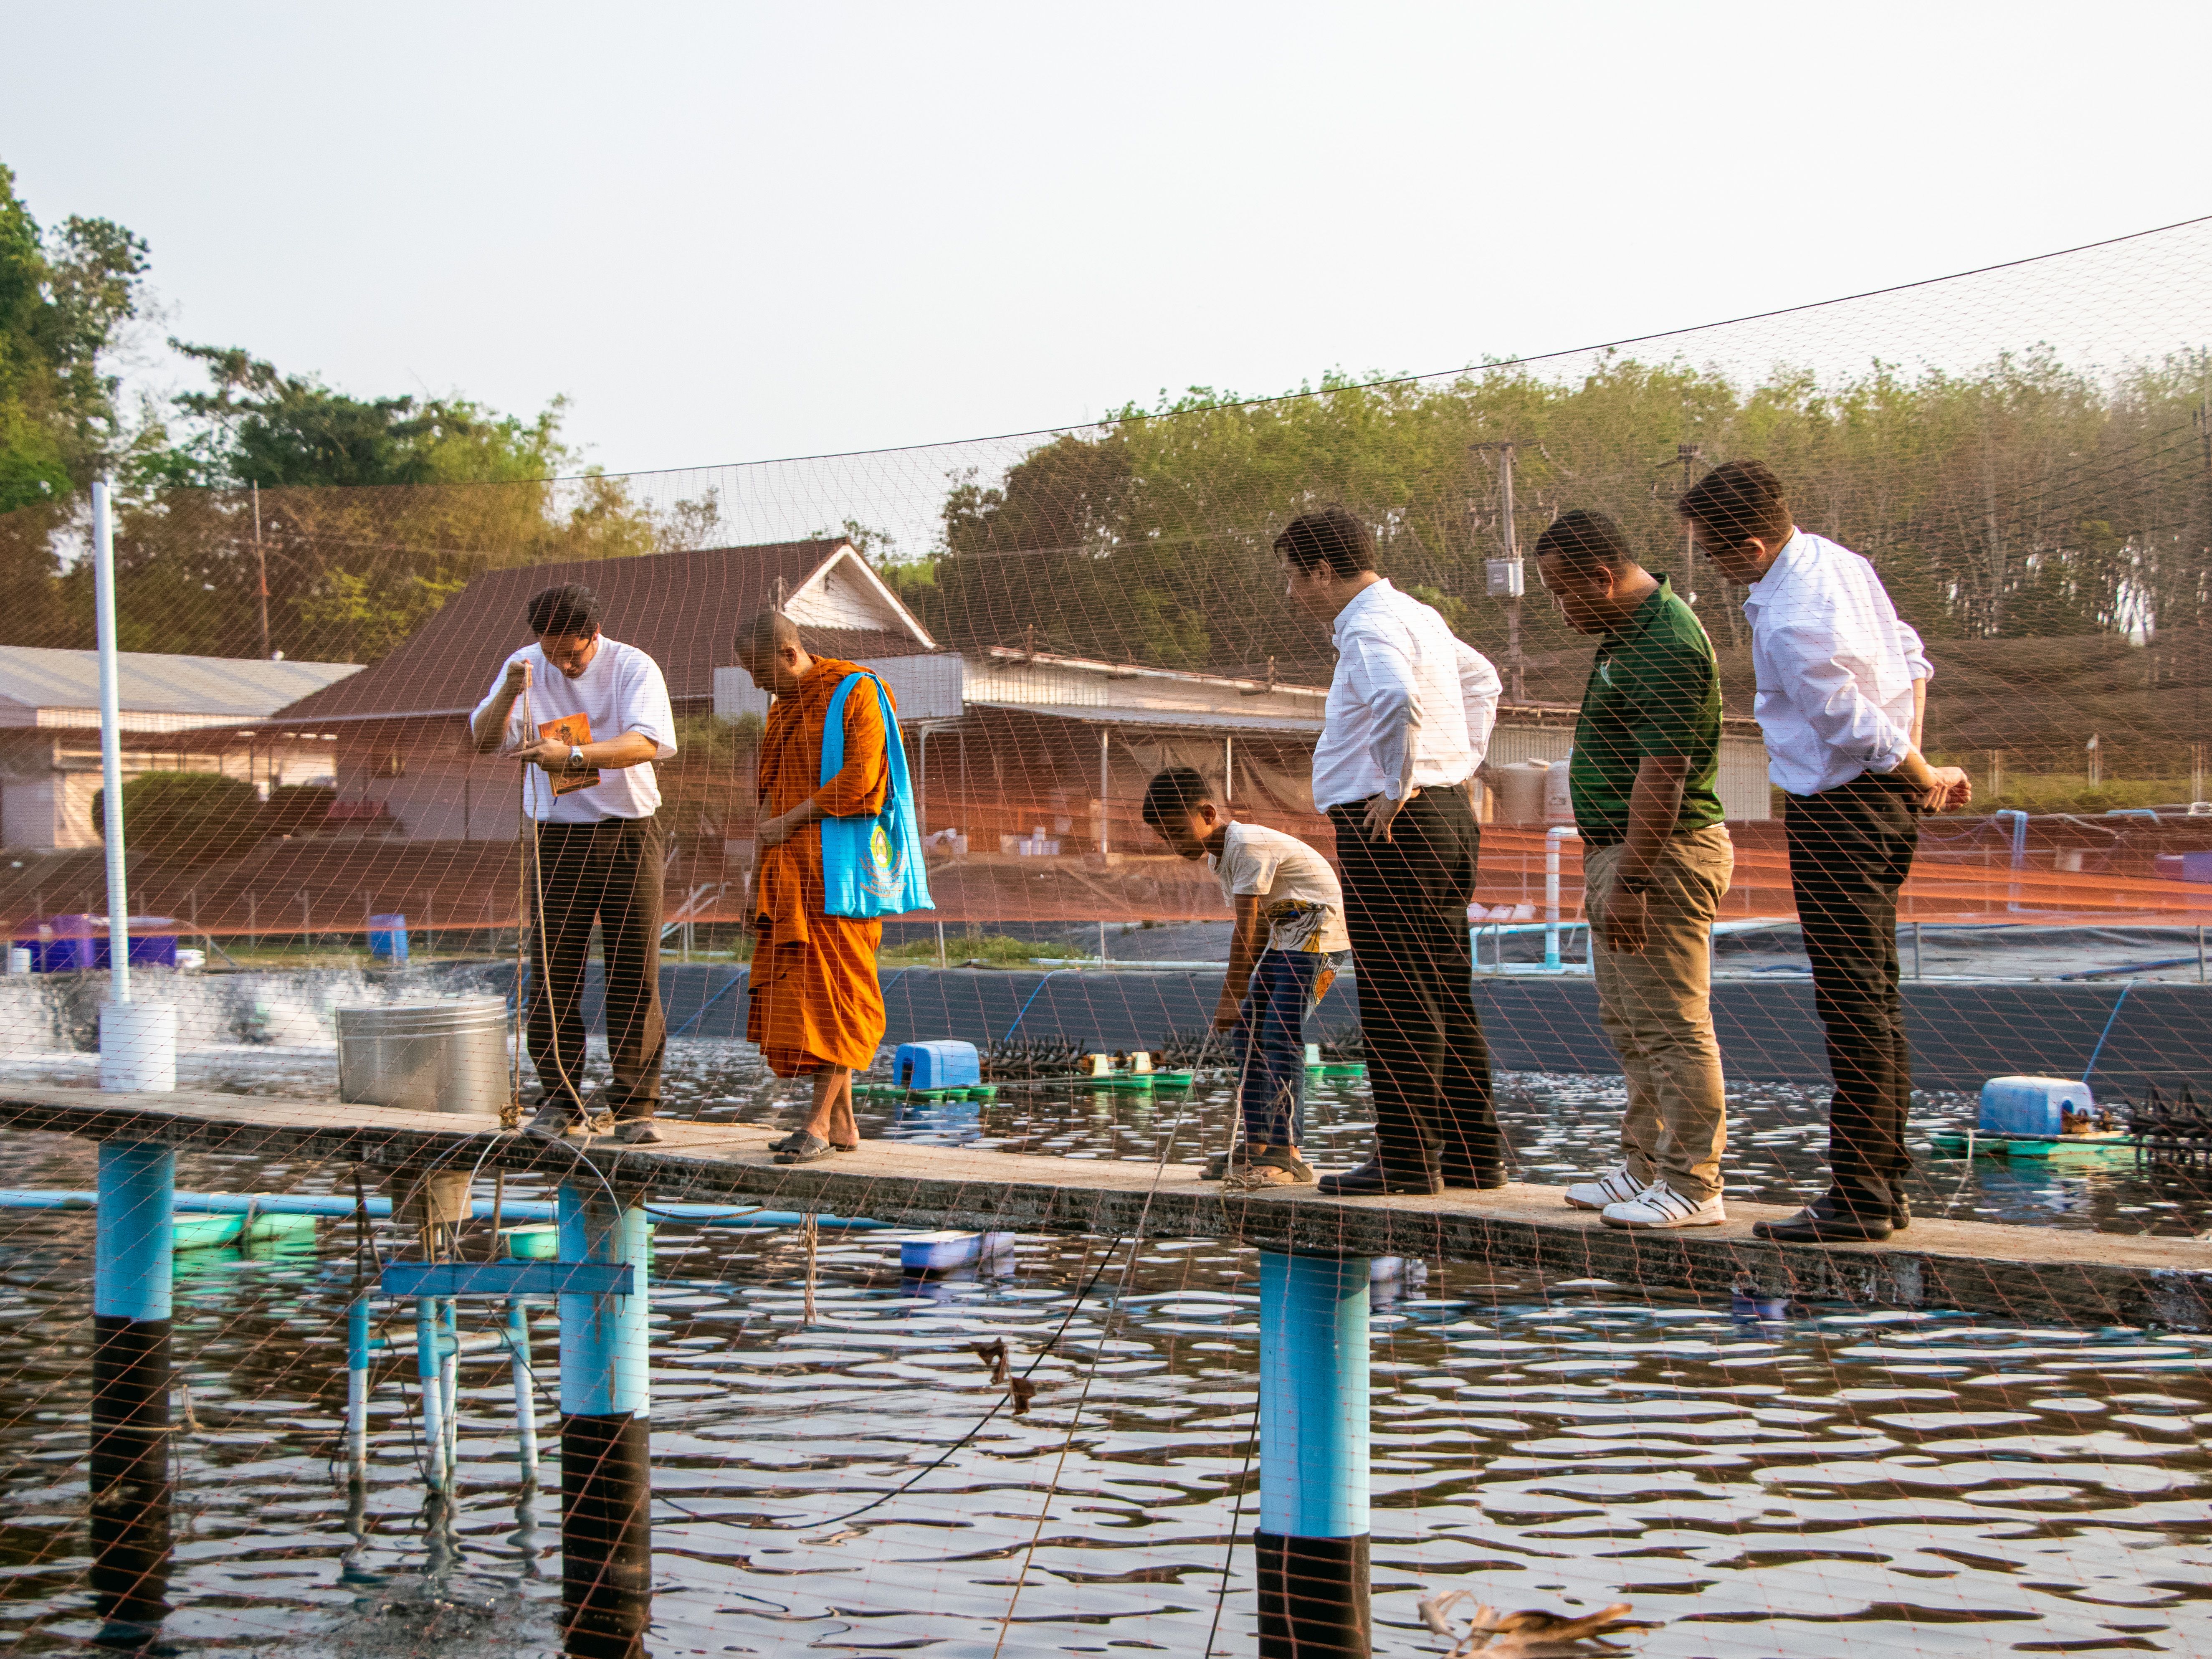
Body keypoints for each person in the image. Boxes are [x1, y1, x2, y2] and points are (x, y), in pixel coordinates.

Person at [1682, 460, 1970, 1243]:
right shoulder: (1840, 563)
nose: (1709, 563)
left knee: (1851, 1004)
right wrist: (1917, 766)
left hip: (1838, 808)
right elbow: (1909, 657)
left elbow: (1844, 712)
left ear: (1747, 541)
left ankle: (1863, 1196)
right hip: (1875, 798)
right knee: (1872, 994)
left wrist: (1917, 772)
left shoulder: (1788, 612)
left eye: (1712, 550)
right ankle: (1881, 1186)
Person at [1278, 505, 1507, 1197]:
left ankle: (1406, 1160)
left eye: (1293, 577)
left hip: (1393, 825)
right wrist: (1458, 761)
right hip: (1444, 815)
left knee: (1395, 991)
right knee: (1443, 983)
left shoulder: (1368, 623)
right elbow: (1484, 680)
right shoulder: (1417, 614)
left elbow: (1394, 695)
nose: (1291, 592)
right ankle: (1473, 1153)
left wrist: (1396, 781)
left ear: (1321, 571)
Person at [1535, 510, 1734, 1230]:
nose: (1560, 608)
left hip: (1661, 854)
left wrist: (1634, 881)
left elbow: (1665, 771)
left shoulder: (1667, 640)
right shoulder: (1627, 633)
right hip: (1619, 852)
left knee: (1674, 1024)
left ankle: (1693, 1182)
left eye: (1563, 591)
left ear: (1602, 576)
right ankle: (1643, 1167)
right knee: (1628, 1020)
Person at [471, 583, 678, 1146]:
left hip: (629, 832)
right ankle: (560, 1102)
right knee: (552, 973)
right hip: (556, 837)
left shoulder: (633, 666)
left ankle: (636, 1107)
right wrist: (510, 694)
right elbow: (483, 740)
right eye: (552, 651)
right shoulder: (524, 666)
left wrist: (575, 755)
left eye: (573, 654)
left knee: (633, 972)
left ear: (595, 635)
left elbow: (646, 743)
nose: (562, 664)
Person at [734, 609, 896, 1165]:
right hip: (786, 878)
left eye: (758, 668)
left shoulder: (857, 691)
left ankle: (819, 1122)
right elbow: (766, 797)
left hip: (841, 879)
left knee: (840, 995)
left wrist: (795, 820)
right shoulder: (781, 712)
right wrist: (754, 878)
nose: (755, 682)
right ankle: (843, 1122)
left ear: (788, 653)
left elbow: (862, 778)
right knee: (807, 997)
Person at [1141, 766, 1351, 1191]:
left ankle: (1289, 1153)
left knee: (1279, 1034)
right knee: (1248, 1034)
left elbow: (1249, 927)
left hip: (1318, 943)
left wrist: (1232, 995)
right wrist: (1238, 1002)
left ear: (1207, 811)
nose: (1170, 841)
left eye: (1174, 829)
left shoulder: (1248, 845)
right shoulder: (1222, 855)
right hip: (1286, 940)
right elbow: (1256, 933)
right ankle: (1257, 1145)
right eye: (1161, 835)